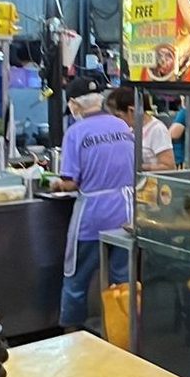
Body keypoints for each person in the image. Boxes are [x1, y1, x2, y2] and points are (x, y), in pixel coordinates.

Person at [50, 76, 134, 329]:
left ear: (74, 104)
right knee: (122, 281)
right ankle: (122, 333)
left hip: (93, 216)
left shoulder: (76, 133)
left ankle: (71, 332)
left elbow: (71, 183)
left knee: (76, 277)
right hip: (126, 213)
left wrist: (55, 184)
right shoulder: (122, 126)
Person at [106, 87, 175, 171]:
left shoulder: (157, 129)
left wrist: (137, 167)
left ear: (131, 110)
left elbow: (169, 166)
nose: (116, 120)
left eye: (118, 116)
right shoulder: (130, 130)